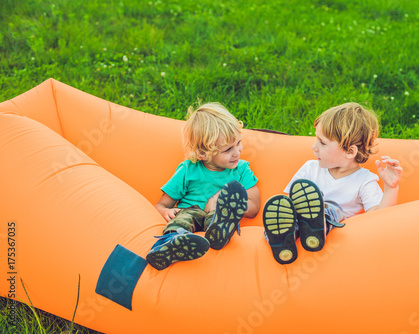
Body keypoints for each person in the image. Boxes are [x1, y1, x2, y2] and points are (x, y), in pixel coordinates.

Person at [263, 102, 403, 264]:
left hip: (334, 233)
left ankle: (318, 224)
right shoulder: (310, 169)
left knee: (329, 209)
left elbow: (378, 218)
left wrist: (391, 188)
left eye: (322, 143)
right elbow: (286, 206)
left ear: (350, 152)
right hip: (296, 225)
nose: (314, 147)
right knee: (283, 207)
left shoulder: (364, 181)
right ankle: (282, 241)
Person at [147, 102, 260, 270]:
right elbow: (161, 204)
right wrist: (166, 212)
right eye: (228, 149)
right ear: (203, 154)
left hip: (220, 213)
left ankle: (218, 232)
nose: (237, 151)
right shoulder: (188, 170)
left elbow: (254, 207)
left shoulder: (242, 169)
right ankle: (172, 245)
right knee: (183, 220)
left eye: (238, 142)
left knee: (219, 217)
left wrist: (230, 203)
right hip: (189, 211)